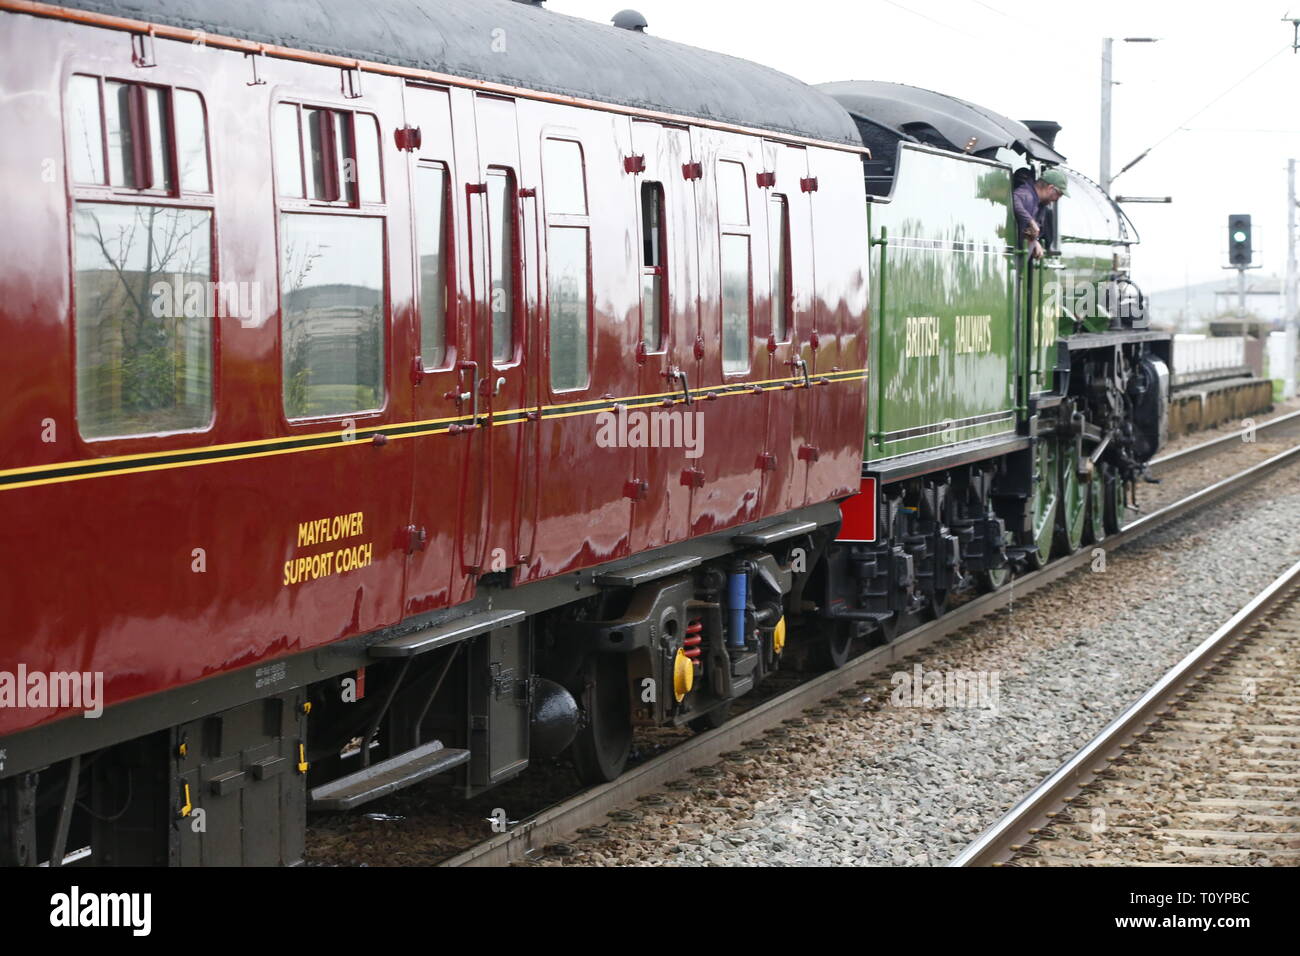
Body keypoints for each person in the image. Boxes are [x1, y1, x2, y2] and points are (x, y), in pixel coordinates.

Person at [1013, 167, 1068, 260]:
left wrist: (1034, 241)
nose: (1057, 199)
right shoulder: (1027, 195)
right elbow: (1013, 200)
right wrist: (1031, 221)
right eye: (1059, 194)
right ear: (1050, 188)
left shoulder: (1038, 204)